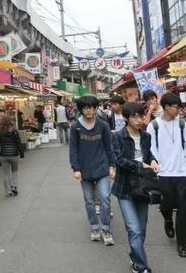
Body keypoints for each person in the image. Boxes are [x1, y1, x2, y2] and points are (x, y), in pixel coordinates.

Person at [147, 92, 186, 258]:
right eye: (176, 107)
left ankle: (182, 242)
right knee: (166, 204)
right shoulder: (154, 126)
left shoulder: (182, 125)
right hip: (163, 172)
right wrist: (155, 165)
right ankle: (168, 219)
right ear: (167, 107)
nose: (179, 110)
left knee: (184, 207)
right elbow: (151, 148)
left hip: (182, 171)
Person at [112, 102, 160, 273]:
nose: (139, 120)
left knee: (141, 229)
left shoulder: (146, 136)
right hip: (124, 188)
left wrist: (153, 160)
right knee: (133, 228)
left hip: (142, 187)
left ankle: (135, 257)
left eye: (141, 116)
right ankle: (141, 267)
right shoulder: (118, 137)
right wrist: (141, 166)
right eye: (135, 116)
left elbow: (148, 154)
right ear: (126, 118)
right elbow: (119, 160)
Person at [69, 95, 116, 245]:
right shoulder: (75, 127)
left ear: (96, 109)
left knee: (105, 199)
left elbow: (109, 147)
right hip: (84, 170)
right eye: (85, 108)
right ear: (81, 110)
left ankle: (106, 229)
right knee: (89, 201)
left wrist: (112, 165)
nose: (88, 110)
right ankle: (95, 227)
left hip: (102, 168)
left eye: (91, 107)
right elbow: (73, 150)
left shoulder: (103, 125)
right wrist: (75, 168)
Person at [0, 115, 25, 197]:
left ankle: (8, 192)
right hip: (14, 155)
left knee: (6, 174)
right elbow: (19, 143)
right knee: (14, 171)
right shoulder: (14, 131)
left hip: (3, 155)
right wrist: (22, 154)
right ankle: (14, 186)